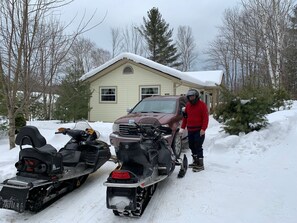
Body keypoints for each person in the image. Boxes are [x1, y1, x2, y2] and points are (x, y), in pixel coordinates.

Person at [179, 89, 209, 172]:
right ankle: (195, 161)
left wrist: (203, 129)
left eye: (193, 96)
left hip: (199, 130)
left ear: (196, 96)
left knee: (198, 146)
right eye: (190, 97)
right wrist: (182, 128)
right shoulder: (188, 106)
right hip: (190, 130)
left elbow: (205, 118)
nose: (191, 98)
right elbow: (185, 118)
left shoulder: (202, 105)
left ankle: (200, 164)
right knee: (191, 146)